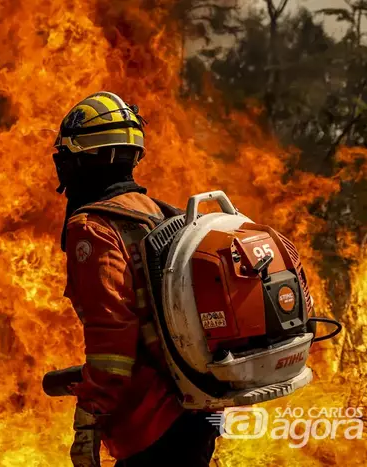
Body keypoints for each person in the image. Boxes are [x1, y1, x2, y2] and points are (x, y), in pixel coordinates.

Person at [53, 92, 220, 466]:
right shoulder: (159, 213)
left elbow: (112, 336)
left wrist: (88, 419)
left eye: (65, 157)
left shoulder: (94, 228)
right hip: (198, 407)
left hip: (152, 421)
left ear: (81, 160)